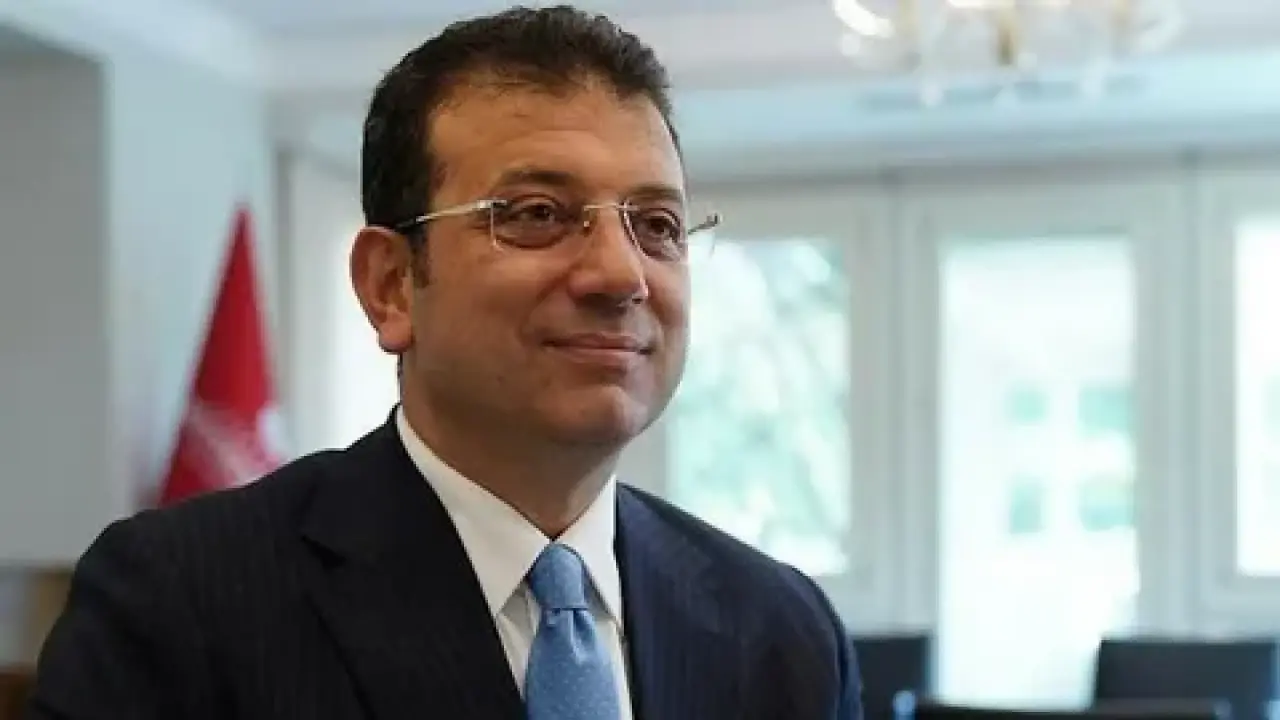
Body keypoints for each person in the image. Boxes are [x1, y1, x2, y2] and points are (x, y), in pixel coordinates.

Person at [24, 5, 862, 719]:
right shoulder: (179, 604)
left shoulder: (784, 633)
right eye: (537, 214)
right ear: (391, 285)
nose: (621, 274)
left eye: (657, 225)